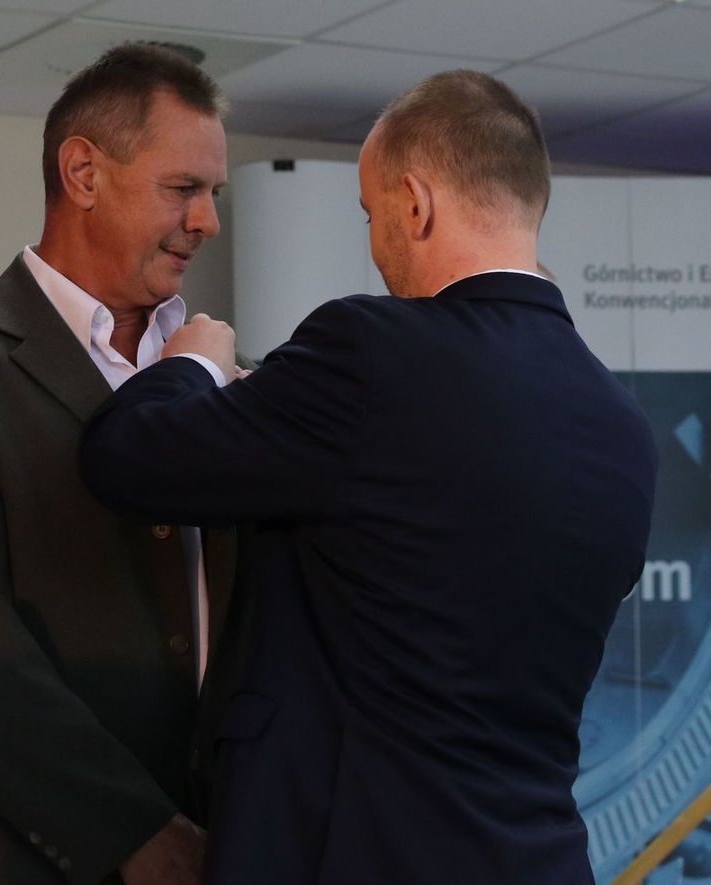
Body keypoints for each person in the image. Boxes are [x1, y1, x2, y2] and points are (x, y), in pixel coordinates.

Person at [80, 70, 658, 883]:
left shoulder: (373, 351)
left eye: (370, 214)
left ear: (414, 204)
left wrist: (194, 366)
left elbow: (126, 457)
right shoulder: (624, 428)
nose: (375, 243)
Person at [0, 43, 236, 885]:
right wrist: (139, 833)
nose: (207, 221)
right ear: (83, 173)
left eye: (213, 193)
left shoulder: (224, 372)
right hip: (43, 861)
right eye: (183, 188)